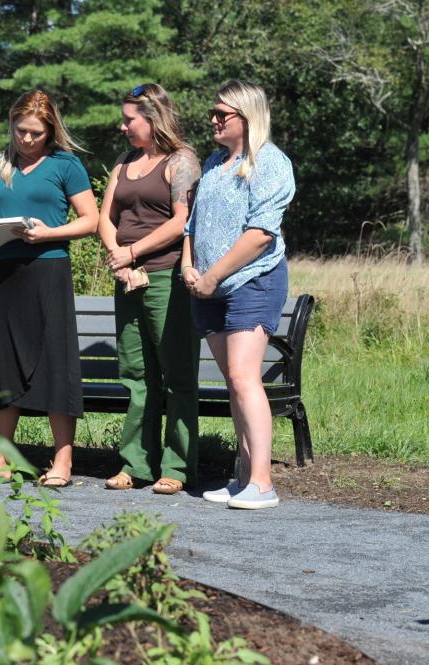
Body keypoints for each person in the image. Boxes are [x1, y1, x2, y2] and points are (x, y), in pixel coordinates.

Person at [0, 89, 99, 487]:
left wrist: (51, 233)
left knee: (55, 361)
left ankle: (62, 461)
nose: (26, 139)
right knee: (4, 362)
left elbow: (90, 220)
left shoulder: (65, 164)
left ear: (51, 131)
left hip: (48, 269)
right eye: (20, 131)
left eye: (35, 133)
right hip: (5, 271)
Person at [182, 80, 295, 510]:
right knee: (233, 380)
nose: (212, 120)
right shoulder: (213, 162)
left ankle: (263, 484)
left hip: (252, 281)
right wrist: (189, 266)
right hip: (206, 284)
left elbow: (261, 235)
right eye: (212, 113)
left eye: (221, 114)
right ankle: (243, 477)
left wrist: (213, 277)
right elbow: (193, 224)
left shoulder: (271, 163)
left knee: (246, 377)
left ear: (247, 118)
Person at [98, 83, 202, 495]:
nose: (122, 126)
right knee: (136, 373)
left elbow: (183, 221)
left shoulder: (182, 162)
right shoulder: (124, 162)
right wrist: (118, 255)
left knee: (176, 373)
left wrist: (135, 251)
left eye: (129, 119)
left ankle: (176, 466)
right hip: (126, 277)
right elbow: (107, 214)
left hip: (165, 275)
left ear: (153, 118)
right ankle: (135, 463)